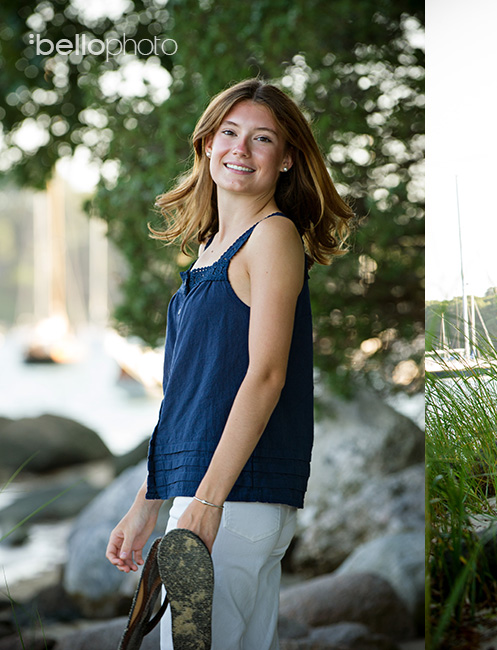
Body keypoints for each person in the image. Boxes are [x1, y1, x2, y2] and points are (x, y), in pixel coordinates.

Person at [106, 78, 354, 649]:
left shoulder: (272, 237)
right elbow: (189, 398)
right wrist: (149, 502)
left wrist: (207, 502)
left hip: (233, 498)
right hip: (214, 494)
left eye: (262, 138)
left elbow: (266, 375)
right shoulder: (211, 249)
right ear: (208, 145)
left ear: (287, 159)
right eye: (229, 132)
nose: (240, 148)